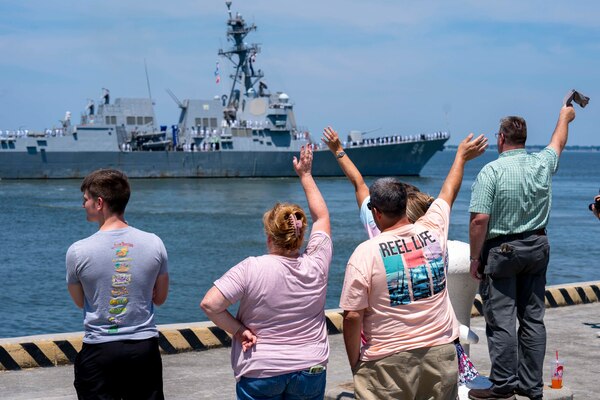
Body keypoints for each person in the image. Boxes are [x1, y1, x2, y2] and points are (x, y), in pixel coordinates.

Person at [339, 133, 487, 400]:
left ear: (376, 213)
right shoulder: (433, 230)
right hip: (440, 355)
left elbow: (351, 317)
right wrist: (461, 157)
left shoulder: (365, 253)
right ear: (405, 205)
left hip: (386, 363)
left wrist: (356, 363)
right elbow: (448, 191)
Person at [201, 144, 332, 400]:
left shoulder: (252, 267)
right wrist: (306, 176)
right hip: (311, 368)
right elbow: (322, 217)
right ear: (300, 234)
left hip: (261, 370)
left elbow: (210, 304)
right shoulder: (317, 261)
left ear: (269, 235)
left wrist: (239, 330)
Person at [468, 105, 576, 400]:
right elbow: (558, 142)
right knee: (532, 318)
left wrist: (475, 258)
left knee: (501, 320)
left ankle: (503, 385)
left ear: (501, 138)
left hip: (502, 251)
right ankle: (531, 385)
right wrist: (563, 117)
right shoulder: (542, 163)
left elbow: (479, 220)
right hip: (538, 246)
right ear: (524, 139)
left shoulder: (491, 171)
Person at [66, 169, 169, 399]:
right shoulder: (154, 243)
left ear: (99, 202)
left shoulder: (78, 251)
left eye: (86, 200)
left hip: (100, 350)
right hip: (144, 348)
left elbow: (81, 301)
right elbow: (160, 298)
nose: (83, 205)